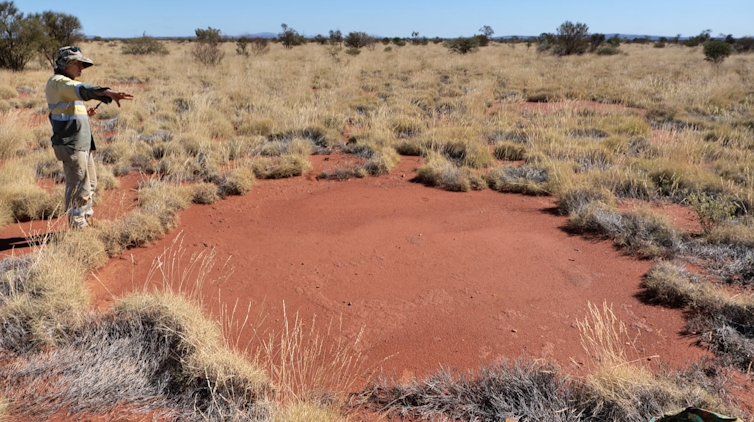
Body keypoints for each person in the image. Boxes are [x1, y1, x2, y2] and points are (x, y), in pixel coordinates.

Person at [45, 46, 133, 229]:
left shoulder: (67, 84)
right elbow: (82, 90)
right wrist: (106, 93)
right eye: (77, 63)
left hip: (82, 143)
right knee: (78, 186)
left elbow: (67, 109)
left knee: (90, 184)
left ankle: (87, 218)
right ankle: (78, 227)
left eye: (82, 64)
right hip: (71, 144)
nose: (81, 68)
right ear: (66, 63)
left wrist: (85, 113)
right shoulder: (59, 82)